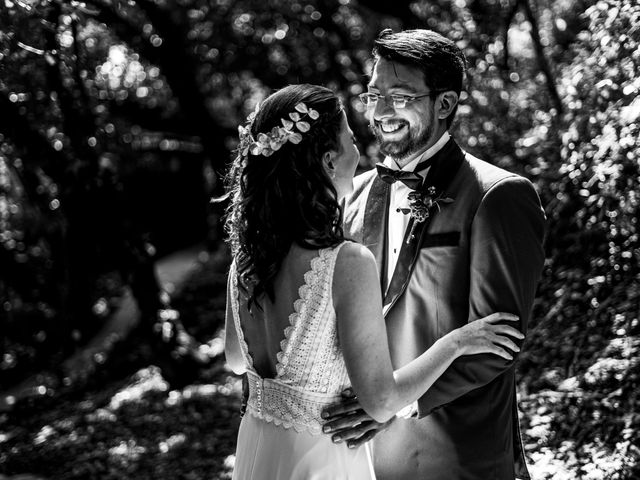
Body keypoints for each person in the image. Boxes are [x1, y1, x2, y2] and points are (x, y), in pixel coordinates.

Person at [223, 83, 524, 479]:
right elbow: (381, 401)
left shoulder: (245, 261)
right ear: (329, 162)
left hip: (261, 448)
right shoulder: (346, 263)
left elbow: (233, 359)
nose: (360, 151)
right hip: (321, 459)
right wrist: (456, 342)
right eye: (351, 140)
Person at [321, 29, 547, 480]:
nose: (381, 112)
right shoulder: (354, 197)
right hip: (362, 455)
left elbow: (498, 342)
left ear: (444, 105)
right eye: (373, 95)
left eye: (400, 96)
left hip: (457, 450)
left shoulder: (498, 197)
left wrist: (392, 404)